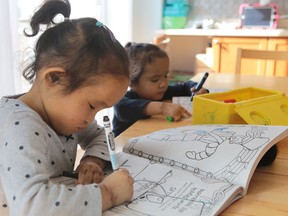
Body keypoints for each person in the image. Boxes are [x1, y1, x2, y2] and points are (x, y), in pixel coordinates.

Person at [0, 0, 134, 215]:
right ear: (54, 78)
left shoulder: (61, 116)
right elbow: (32, 207)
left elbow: (99, 136)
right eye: (92, 106)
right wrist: (108, 193)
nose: (91, 119)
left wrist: (91, 160)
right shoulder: (19, 126)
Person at [112, 42, 209, 137]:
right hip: (121, 147)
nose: (163, 84)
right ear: (131, 81)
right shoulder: (124, 99)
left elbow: (184, 86)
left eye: (165, 76)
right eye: (155, 80)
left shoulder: (161, 91)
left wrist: (197, 89)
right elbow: (122, 109)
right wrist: (162, 107)